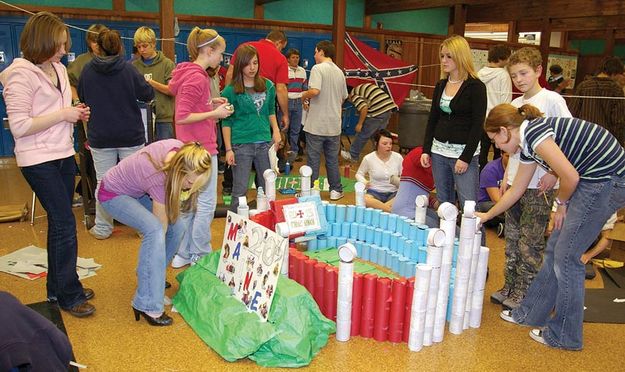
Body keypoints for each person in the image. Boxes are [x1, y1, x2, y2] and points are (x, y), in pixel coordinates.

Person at [478, 103, 625, 351]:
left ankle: (566, 335)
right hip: (594, 179)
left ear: (504, 131)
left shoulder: (534, 134)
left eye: (496, 141)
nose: (498, 147)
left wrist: (561, 204)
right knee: (555, 249)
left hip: (605, 181)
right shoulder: (527, 146)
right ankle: (532, 313)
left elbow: (570, 177)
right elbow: (517, 189)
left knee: (567, 258)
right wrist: (487, 215)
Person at [0, 11, 94, 317]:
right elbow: (20, 126)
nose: (64, 51)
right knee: (65, 223)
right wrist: (63, 115)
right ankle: (69, 294)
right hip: (38, 160)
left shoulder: (59, 69)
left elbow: (57, 109)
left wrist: (74, 112)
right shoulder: (19, 74)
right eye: (59, 45)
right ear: (41, 42)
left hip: (63, 154)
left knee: (60, 224)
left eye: (65, 45)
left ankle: (57, 287)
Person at [99, 140, 212, 326]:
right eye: (190, 182)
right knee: (155, 230)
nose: (190, 188)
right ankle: (148, 303)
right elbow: (160, 229)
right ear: (180, 172)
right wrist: (154, 265)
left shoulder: (181, 152)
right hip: (112, 194)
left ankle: (152, 278)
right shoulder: (159, 176)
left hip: (137, 191)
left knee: (179, 227)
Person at [493, 47, 572, 310]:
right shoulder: (515, 106)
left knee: (531, 241)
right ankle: (511, 284)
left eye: (524, 73)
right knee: (512, 238)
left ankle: (527, 291)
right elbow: (511, 149)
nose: (519, 80)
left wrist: (553, 172)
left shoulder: (552, 100)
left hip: (540, 183)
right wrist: (506, 175)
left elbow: (565, 141)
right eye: (514, 75)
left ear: (538, 71)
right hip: (517, 179)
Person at [78, 29, 155, 240]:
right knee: (135, 181)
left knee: (104, 183)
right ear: (120, 47)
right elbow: (147, 94)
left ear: (98, 47)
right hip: (130, 134)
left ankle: (103, 228)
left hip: (100, 136)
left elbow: (82, 96)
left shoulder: (87, 70)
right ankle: (142, 227)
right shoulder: (129, 70)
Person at [168, 27, 233, 267]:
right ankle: (200, 253)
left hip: (193, 147)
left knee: (190, 203)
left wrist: (210, 104)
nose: (221, 59)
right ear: (208, 50)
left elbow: (191, 106)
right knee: (204, 203)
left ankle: (184, 253)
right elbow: (182, 116)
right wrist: (215, 112)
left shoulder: (189, 73)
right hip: (201, 149)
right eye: (220, 54)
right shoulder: (198, 76)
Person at [421, 35, 487, 210]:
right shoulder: (441, 85)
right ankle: (448, 237)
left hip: (463, 155)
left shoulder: (476, 87)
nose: (444, 60)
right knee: (445, 204)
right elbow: (433, 119)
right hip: (438, 153)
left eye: (449, 56)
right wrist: (426, 149)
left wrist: (465, 157)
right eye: (442, 56)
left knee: (469, 207)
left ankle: (475, 238)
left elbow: (477, 125)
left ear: (460, 56)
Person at [221, 44, 282, 212]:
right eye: (248, 64)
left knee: (267, 188)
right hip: (241, 145)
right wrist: (228, 150)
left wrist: (276, 132)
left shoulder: (268, 86)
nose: (252, 67)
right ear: (240, 65)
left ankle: (267, 225)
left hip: (265, 144)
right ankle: (235, 228)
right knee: (239, 190)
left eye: (255, 63)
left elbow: (270, 111)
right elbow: (226, 122)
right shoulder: (230, 91)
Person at [301, 40, 348, 201]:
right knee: (332, 160)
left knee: (313, 159)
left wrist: (303, 95)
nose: (314, 56)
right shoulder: (340, 72)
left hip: (317, 124)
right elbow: (342, 98)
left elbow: (314, 90)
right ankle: (336, 190)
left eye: (315, 52)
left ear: (322, 52)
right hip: (334, 125)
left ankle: (310, 192)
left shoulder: (317, 68)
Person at [225, 30, 289, 129]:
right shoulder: (280, 58)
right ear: (278, 42)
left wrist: (227, 99)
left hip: (239, 100)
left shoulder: (244, 47)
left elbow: (230, 74)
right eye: (282, 48)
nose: (281, 51)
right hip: (263, 105)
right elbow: (281, 89)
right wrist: (285, 114)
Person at [132, 26, 176, 140]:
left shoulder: (167, 64)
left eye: (145, 46)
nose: (141, 49)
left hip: (163, 120)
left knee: (164, 156)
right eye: (138, 46)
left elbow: (172, 90)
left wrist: (150, 83)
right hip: (141, 119)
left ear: (153, 43)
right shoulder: (133, 66)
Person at [568, 56, 625, 144]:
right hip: (605, 139)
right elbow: (618, 122)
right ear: (614, 73)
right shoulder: (616, 90)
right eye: (620, 74)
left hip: (582, 136)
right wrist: (619, 144)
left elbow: (572, 113)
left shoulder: (584, 86)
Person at [340, 82, 398, 162]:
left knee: (362, 134)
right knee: (378, 135)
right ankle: (380, 156)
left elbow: (364, 108)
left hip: (377, 110)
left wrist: (360, 124)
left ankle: (353, 155)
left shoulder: (353, 95)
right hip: (387, 108)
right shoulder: (360, 89)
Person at [478, 44, 512, 170]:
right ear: (503, 58)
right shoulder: (503, 75)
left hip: (481, 120)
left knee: (482, 153)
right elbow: (506, 101)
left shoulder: (480, 73)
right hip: (496, 120)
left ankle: (481, 179)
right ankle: (495, 179)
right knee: (499, 154)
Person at [355, 129, 403, 212]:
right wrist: (364, 182)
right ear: (376, 144)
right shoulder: (368, 158)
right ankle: (388, 210)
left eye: (390, 143)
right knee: (365, 199)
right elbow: (359, 174)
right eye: (385, 144)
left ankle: (381, 209)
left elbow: (404, 177)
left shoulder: (398, 157)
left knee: (403, 198)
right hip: (374, 192)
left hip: (393, 193)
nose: (389, 146)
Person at [391, 146, 437, 226]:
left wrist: (434, 202)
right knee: (447, 231)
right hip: (406, 212)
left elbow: (417, 194)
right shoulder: (419, 153)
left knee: (451, 228)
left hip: (418, 207)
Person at [67, 23, 108, 101]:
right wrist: (76, 101)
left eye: (100, 41)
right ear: (89, 42)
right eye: (94, 41)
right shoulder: (80, 61)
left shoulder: (112, 60)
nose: (98, 44)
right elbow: (70, 83)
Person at [284, 48, 307, 162]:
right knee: (283, 128)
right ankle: (282, 153)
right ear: (288, 59)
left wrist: (305, 101)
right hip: (286, 102)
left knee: (295, 130)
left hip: (298, 102)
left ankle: (294, 153)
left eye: (297, 57)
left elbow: (305, 88)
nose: (295, 59)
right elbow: (281, 88)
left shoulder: (302, 71)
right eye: (293, 57)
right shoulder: (284, 70)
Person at [477, 152, 508, 232]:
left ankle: (504, 225)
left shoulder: (519, 167)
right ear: (501, 154)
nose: (510, 160)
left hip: (507, 202)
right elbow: (497, 200)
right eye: (507, 156)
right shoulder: (490, 169)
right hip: (487, 202)